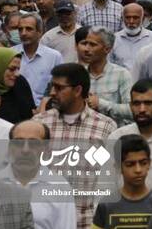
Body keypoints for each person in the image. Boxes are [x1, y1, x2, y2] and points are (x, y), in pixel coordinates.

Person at [35, 63, 116, 229]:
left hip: (88, 222)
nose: (52, 93)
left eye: (58, 88)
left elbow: (109, 181)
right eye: (52, 86)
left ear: (78, 90)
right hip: (48, 222)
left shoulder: (106, 127)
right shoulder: (39, 124)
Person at [92, 134, 152, 228]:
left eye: (143, 163)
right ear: (118, 167)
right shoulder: (106, 205)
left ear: (149, 164)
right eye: (130, 164)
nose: (138, 170)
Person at [78, 26, 133, 126]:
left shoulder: (121, 74)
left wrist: (101, 104)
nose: (86, 49)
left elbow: (132, 110)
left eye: (92, 45)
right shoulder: (79, 74)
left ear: (107, 49)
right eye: (85, 43)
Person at [15, 12, 63, 106]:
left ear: (40, 31)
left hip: (45, 110)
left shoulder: (54, 57)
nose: (23, 33)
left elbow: (59, 87)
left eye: (29, 29)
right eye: (20, 29)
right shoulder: (11, 54)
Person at [0, 47, 35, 123]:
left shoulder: (20, 83)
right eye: (11, 69)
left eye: (18, 69)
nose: (17, 74)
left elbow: (30, 114)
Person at [110, 3, 152, 71]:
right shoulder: (114, 39)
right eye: (127, 17)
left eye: (135, 18)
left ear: (142, 18)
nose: (131, 21)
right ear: (122, 18)